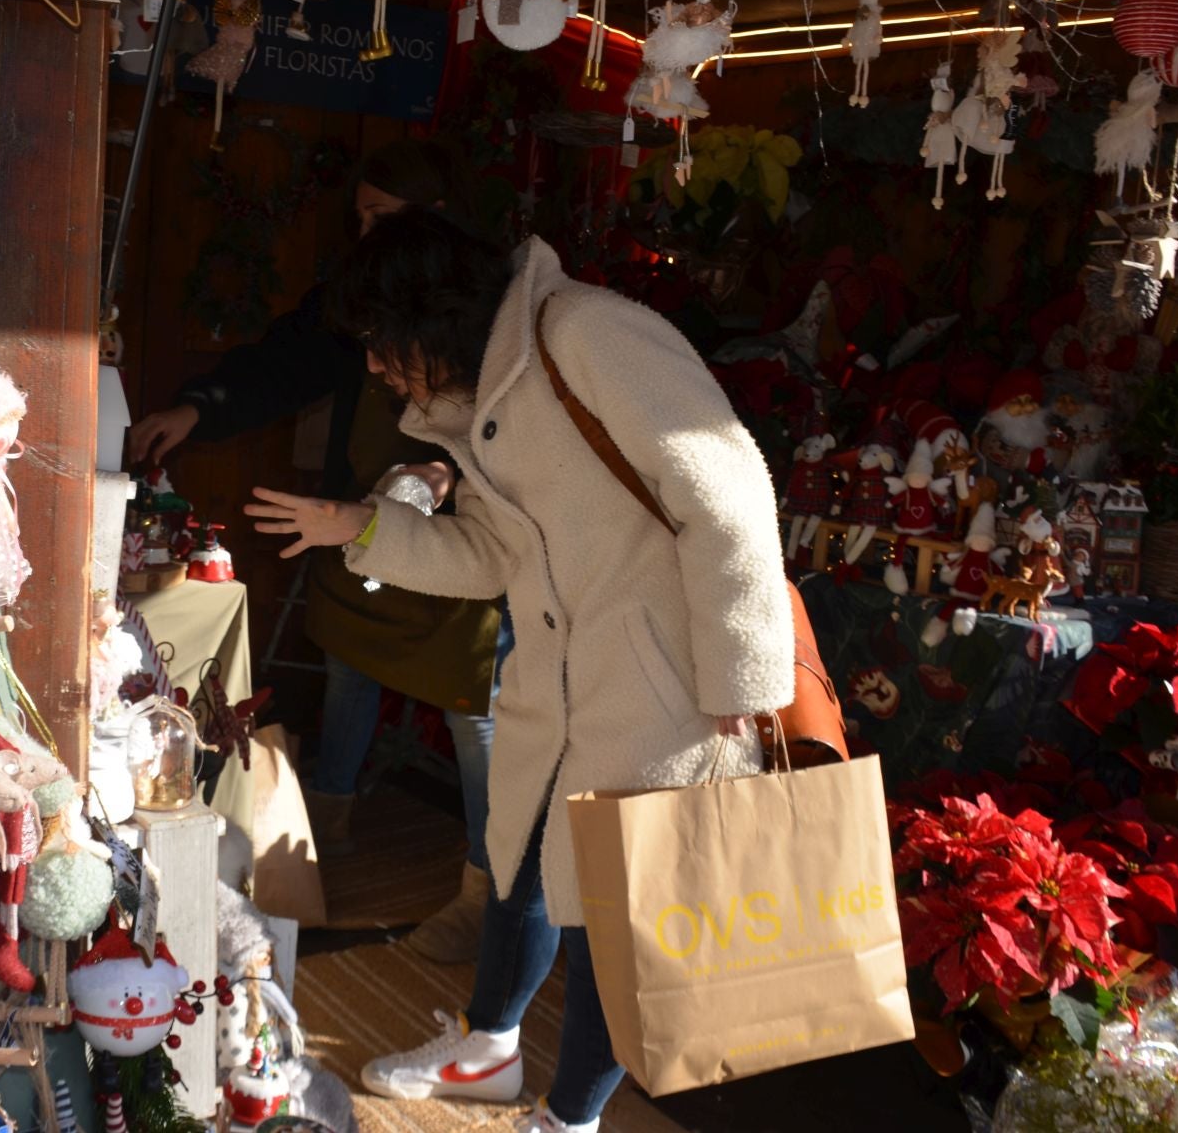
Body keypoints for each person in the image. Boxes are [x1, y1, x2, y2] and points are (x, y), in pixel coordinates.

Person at [243, 207, 793, 1133]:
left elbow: (729, 491)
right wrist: (359, 527)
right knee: (520, 861)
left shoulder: (585, 332)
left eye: (381, 340)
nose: (375, 366)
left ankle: (569, 1118)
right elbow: (495, 558)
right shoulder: (483, 399)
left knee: (618, 926)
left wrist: (742, 684)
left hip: (671, 687)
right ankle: (490, 1045)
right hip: (565, 683)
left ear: (432, 312)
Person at [126, 140, 507, 963]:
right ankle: (318, 831)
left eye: (382, 217)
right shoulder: (356, 293)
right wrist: (201, 408)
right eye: (360, 216)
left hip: (454, 539)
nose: (365, 231)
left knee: (476, 714)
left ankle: (488, 891)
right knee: (349, 667)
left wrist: (446, 470)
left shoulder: (487, 310)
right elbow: (288, 359)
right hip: (355, 517)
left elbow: (495, 432)